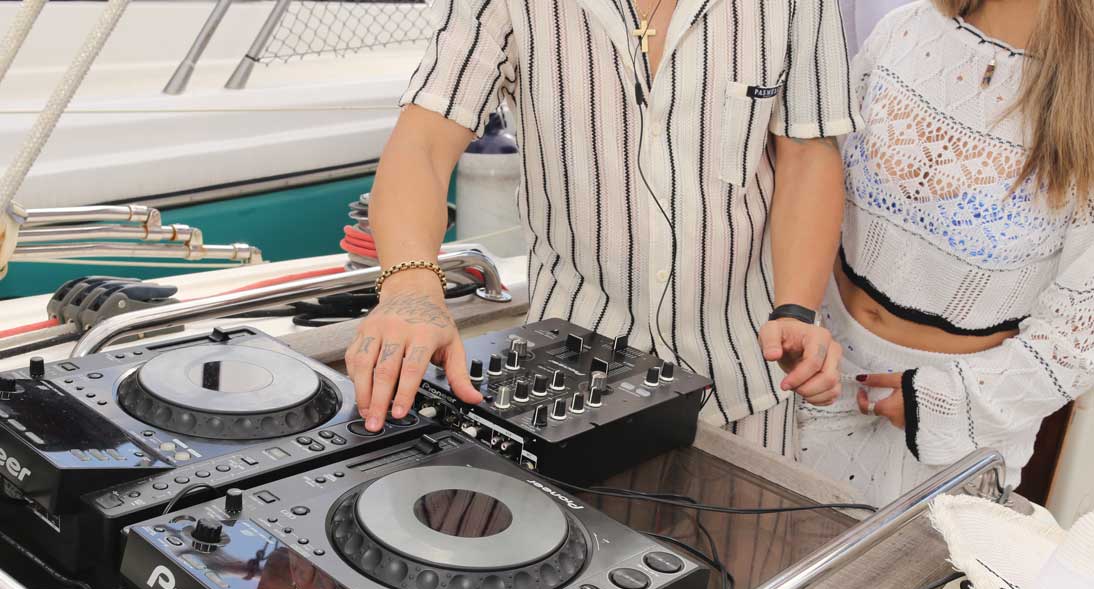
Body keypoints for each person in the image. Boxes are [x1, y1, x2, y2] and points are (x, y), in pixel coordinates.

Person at [344, 0, 863, 455]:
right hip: (566, 380)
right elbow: (424, 141)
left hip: (747, 374)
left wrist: (795, 307)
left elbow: (808, 147)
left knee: (754, 566)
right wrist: (411, 291)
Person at [799, 0, 1094, 505]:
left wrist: (936, 400)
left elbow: (1078, 335)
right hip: (812, 384)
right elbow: (812, 188)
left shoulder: (1083, 101)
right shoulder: (905, 28)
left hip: (955, 437)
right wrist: (799, 320)